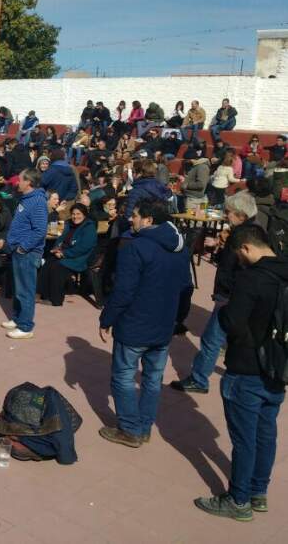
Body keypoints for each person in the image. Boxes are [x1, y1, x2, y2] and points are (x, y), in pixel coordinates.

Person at [193, 225, 288, 522]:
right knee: (266, 432)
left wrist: (226, 314)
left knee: (245, 439)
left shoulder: (251, 278)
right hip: (278, 365)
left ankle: (239, 499)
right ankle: (258, 491)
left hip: (247, 366)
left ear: (245, 248)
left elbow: (233, 321)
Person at [97, 199, 192, 448]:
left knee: (124, 376)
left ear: (149, 220)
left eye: (136, 215)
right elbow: (186, 288)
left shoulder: (136, 248)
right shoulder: (179, 247)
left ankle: (130, 429)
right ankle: (143, 426)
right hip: (163, 326)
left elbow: (123, 291)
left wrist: (106, 319)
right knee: (152, 379)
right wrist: (178, 319)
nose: (132, 219)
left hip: (135, 325)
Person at [170, 191, 260, 395]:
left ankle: (199, 378)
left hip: (230, 294)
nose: (226, 215)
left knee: (212, 339)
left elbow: (239, 268)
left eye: (229, 212)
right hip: (236, 294)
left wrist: (224, 289)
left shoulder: (242, 236)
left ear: (241, 215)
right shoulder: (252, 231)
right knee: (229, 337)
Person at [1, 168, 48, 339]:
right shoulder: (25, 199)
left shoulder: (37, 201)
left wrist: (23, 247)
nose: (17, 182)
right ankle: (18, 318)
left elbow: (40, 230)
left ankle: (26, 327)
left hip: (27, 253)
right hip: (18, 250)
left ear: (28, 182)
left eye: (20, 179)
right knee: (18, 288)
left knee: (26, 291)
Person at [37, 203, 97, 306]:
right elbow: (61, 238)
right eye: (73, 214)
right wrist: (56, 248)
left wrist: (64, 254)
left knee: (57, 267)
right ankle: (41, 293)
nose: (75, 216)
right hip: (65, 252)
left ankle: (56, 300)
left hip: (79, 258)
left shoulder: (89, 227)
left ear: (84, 214)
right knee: (49, 261)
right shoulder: (69, 224)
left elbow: (83, 248)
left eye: (78, 214)